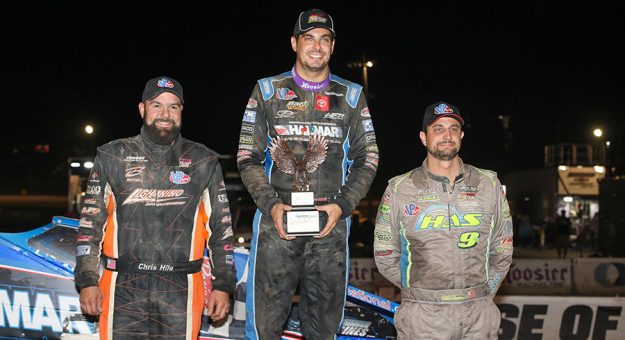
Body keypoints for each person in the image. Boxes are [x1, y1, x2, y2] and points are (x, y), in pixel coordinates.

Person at [237, 8, 379, 339]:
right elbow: (247, 156)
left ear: (332, 45)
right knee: (264, 328)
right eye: (309, 38)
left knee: (324, 328)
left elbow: (368, 157)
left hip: (330, 222)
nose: (317, 46)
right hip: (277, 220)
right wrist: (272, 205)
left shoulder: (352, 96)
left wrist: (342, 206)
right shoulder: (267, 91)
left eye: (324, 39)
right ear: (294, 43)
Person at [74, 76, 235, 339]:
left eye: (173, 106)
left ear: (181, 111)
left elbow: (222, 230)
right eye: (157, 105)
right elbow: (90, 226)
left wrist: (223, 285)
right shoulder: (112, 155)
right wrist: (88, 280)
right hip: (122, 286)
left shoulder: (203, 160)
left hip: (181, 289)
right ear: (142, 109)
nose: (165, 113)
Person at [374, 101, 513, 339]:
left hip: (478, 314)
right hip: (423, 316)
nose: (447, 135)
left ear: (461, 135)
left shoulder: (488, 184)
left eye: (453, 128)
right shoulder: (399, 188)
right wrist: (420, 292)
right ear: (423, 137)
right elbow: (385, 254)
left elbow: (503, 247)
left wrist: (484, 292)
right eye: (438, 129)